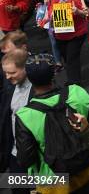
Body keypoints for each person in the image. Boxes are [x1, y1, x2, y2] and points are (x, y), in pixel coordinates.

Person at [15, 58, 89, 192]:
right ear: (54, 74)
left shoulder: (25, 115)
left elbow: (26, 160)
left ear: (29, 79)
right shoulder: (77, 93)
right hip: (85, 171)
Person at [45, 0, 89, 85]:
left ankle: (74, 83)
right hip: (60, 35)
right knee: (67, 58)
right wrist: (50, 15)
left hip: (76, 34)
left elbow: (86, 13)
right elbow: (50, 12)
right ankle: (73, 78)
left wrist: (77, 11)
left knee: (71, 58)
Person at [0, 49, 33, 191]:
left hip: (37, 157)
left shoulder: (39, 89)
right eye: (5, 73)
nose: (7, 77)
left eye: (12, 73)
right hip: (16, 154)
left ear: (25, 68)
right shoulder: (9, 89)